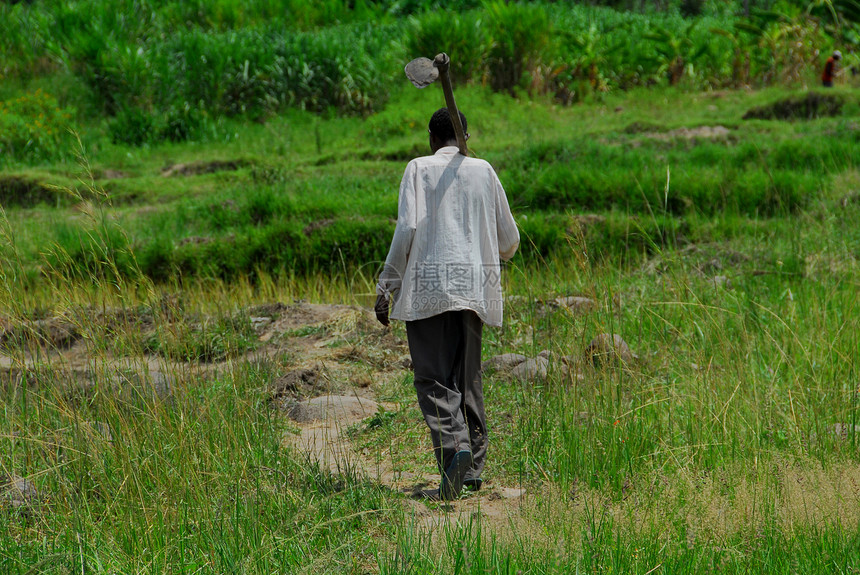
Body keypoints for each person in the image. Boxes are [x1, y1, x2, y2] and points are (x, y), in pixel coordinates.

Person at [374, 107, 519, 500]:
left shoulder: (417, 169)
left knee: (433, 380)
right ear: (465, 137)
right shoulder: (484, 171)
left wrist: (387, 285)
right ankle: (472, 470)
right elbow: (509, 243)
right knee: (467, 380)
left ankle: (456, 451)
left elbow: (407, 229)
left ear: (431, 138)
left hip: (428, 287)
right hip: (475, 287)